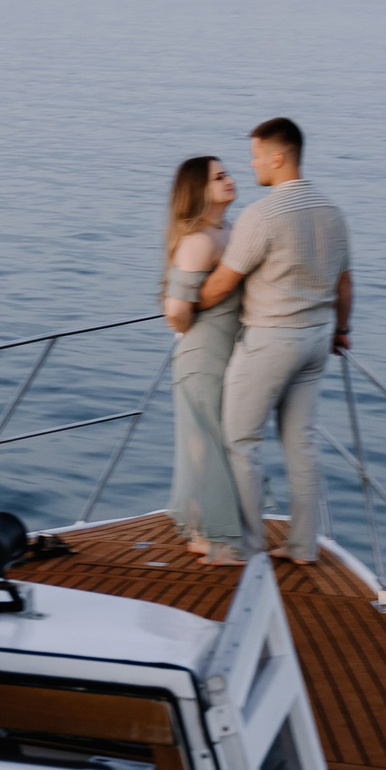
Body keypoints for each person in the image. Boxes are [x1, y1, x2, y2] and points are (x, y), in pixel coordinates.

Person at [197, 117, 351, 564]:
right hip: (318, 339)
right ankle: (303, 546)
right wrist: (342, 330)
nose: (252, 163)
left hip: (271, 340)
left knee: (241, 440)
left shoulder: (262, 215)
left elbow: (224, 282)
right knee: (300, 442)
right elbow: (345, 284)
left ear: (278, 157)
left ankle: (244, 545)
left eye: (257, 154)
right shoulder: (332, 211)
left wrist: (184, 302)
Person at [160, 156, 243, 557]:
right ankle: (205, 534)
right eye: (218, 177)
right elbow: (176, 310)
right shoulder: (198, 241)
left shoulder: (228, 230)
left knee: (220, 442)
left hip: (228, 354)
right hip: (202, 355)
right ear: (198, 191)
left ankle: (213, 529)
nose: (229, 180)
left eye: (227, 173)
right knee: (203, 445)